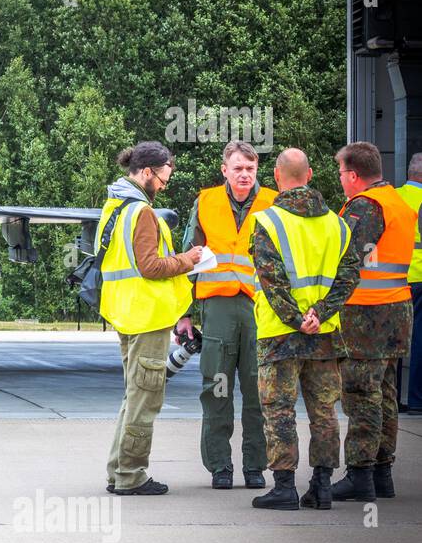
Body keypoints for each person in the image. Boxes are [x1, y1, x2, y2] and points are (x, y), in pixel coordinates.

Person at [249, 149, 359, 510]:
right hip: (325, 335)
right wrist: (319, 314)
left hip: (279, 335)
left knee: (279, 409)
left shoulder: (267, 221)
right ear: (309, 174)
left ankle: (284, 487)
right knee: (324, 411)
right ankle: (322, 486)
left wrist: (297, 320)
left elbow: (272, 281)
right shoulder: (338, 224)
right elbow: (349, 277)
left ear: (277, 177)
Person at [98, 142, 200, 495]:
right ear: (146, 173)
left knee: (133, 396)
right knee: (146, 399)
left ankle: (118, 472)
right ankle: (131, 475)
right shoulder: (141, 212)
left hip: (127, 313)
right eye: (163, 179)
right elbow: (151, 266)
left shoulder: (114, 206)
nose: (163, 186)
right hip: (147, 316)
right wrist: (189, 259)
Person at [181, 141, 277, 490]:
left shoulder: (272, 202)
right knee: (217, 389)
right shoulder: (205, 202)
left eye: (250, 169)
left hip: (259, 310)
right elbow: (188, 257)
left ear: (256, 171)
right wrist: (184, 313)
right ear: (224, 170)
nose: (244, 175)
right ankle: (220, 466)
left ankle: (255, 466)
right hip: (218, 308)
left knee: (257, 391)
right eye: (237, 168)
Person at [332, 142, 415, 501]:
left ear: (353, 175)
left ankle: (359, 475)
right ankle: (383, 474)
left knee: (361, 395)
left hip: (367, 315)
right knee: (384, 393)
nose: (340, 181)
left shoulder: (365, 207)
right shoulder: (398, 201)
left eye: (340, 174)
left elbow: (348, 259)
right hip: (396, 310)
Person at [395, 152, 422, 415]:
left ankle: (392, 400)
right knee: (420, 341)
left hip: (397, 279)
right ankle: (416, 399)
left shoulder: (395, 196)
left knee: (394, 341)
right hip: (421, 277)